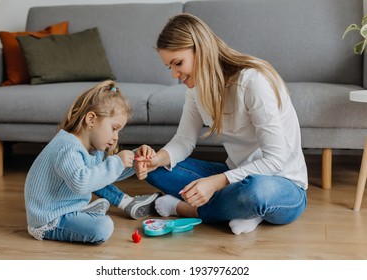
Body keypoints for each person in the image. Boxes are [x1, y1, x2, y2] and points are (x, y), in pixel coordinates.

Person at [138, 13, 308, 235]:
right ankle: (239, 210)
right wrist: (157, 159)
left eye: (178, 63)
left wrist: (215, 183)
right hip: (235, 176)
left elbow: (276, 160)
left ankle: (189, 210)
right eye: (169, 66)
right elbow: (184, 140)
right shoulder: (195, 88)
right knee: (151, 168)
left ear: (202, 50)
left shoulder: (252, 81)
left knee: (255, 193)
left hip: (282, 185)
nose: (174, 74)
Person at [24, 80, 160, 244]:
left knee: (102, 221)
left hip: (65, 208)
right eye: (114, 128)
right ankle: (84, 213)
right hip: (50, 217)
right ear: (91, 119)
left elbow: (102, 175)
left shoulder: (92, 147)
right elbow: (81, 183)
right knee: (103, 227)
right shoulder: (68, 148)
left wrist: (134, 159)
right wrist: (117, 162)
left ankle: (83, 212)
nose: (116, 137)